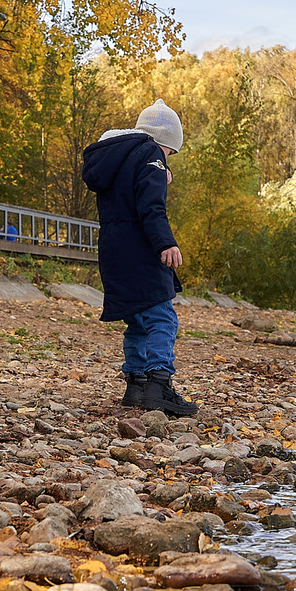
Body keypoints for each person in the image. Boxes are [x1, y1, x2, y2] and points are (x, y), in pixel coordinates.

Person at [82, 101, 194, 417]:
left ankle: (137, 384)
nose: (168, 158)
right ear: (166, 142)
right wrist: (166, 244)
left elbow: (129, 191)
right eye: (170, 153)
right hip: (141, 246)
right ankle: (160, 385)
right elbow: (151, 207)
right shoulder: (152, 155)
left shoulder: (113, 156)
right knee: (161, 316)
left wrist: (160, 171)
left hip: (113, 248)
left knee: (137, 318)